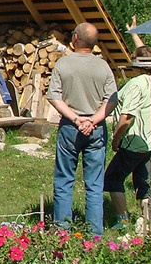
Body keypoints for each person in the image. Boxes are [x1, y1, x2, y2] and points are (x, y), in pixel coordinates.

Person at [47, 22, 117, 236]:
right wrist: (93, 120)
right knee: (95, 184)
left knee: (64, 179)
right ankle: (94, 234)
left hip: (71, 127)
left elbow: (54, 97)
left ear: (75, 38)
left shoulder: (63, 64)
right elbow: (112, 99)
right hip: (95, 129)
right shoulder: (103, 66)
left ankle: (62, 231)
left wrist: (77, 119)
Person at [105, 17, 151, 231]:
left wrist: (116, 140)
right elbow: (146, 55)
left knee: (112, 179)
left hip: (133, 140)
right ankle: (147, 221)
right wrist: (134, 33)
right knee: (143, 184)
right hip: (149, 141)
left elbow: (127, 117)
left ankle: (123, 219)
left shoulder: (136, 85)